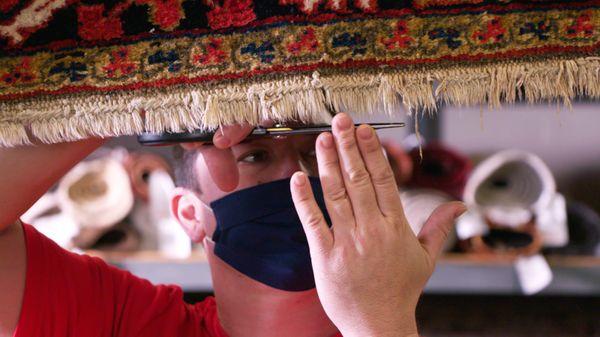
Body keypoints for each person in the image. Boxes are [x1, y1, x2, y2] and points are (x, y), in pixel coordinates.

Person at [0, 113, 466, 337]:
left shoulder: (390, 324)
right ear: (188, 214)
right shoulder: (127, 321)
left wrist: (380, 321)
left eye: (313, 155)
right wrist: (134, 99)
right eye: (257, 156)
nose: (295, 177)